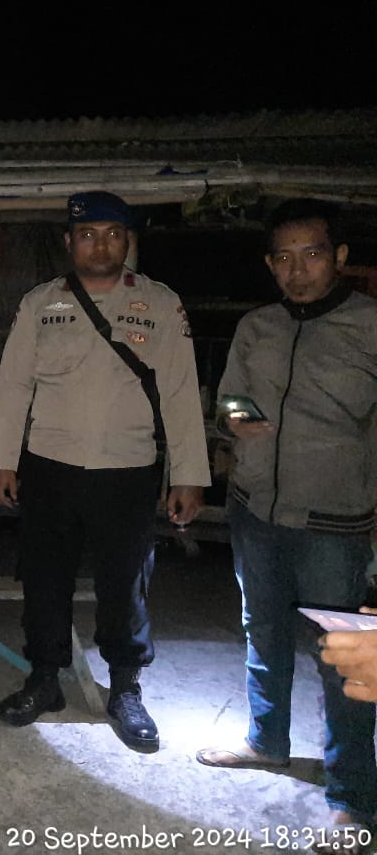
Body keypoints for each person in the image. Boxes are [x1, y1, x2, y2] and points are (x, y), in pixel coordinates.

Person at [0, 190, 210, 752]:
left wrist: (190, 474)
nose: (100, 244)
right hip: (50, 466)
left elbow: (181, 393)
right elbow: (14, 386)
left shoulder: (159, 303)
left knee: (124, 583)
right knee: (44, 578)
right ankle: (44, 678)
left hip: (127, 470)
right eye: (87, 235)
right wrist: (2, 459)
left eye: (112, 234)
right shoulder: (40, 304)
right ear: (69, 242)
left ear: (127, 240)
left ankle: (126, 687)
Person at [195, 200, 376, 839]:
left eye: (313, 254)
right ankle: (265, 741)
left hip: (337, 521)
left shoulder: (369, 326)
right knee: (262, 631)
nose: (298, 271)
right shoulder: (256, 327)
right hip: (256, 510)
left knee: (345, 658)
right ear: (271, 265)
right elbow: (229, 399)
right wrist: (233, 419)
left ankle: (352, 793)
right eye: (285, 258)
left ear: (340, 258)